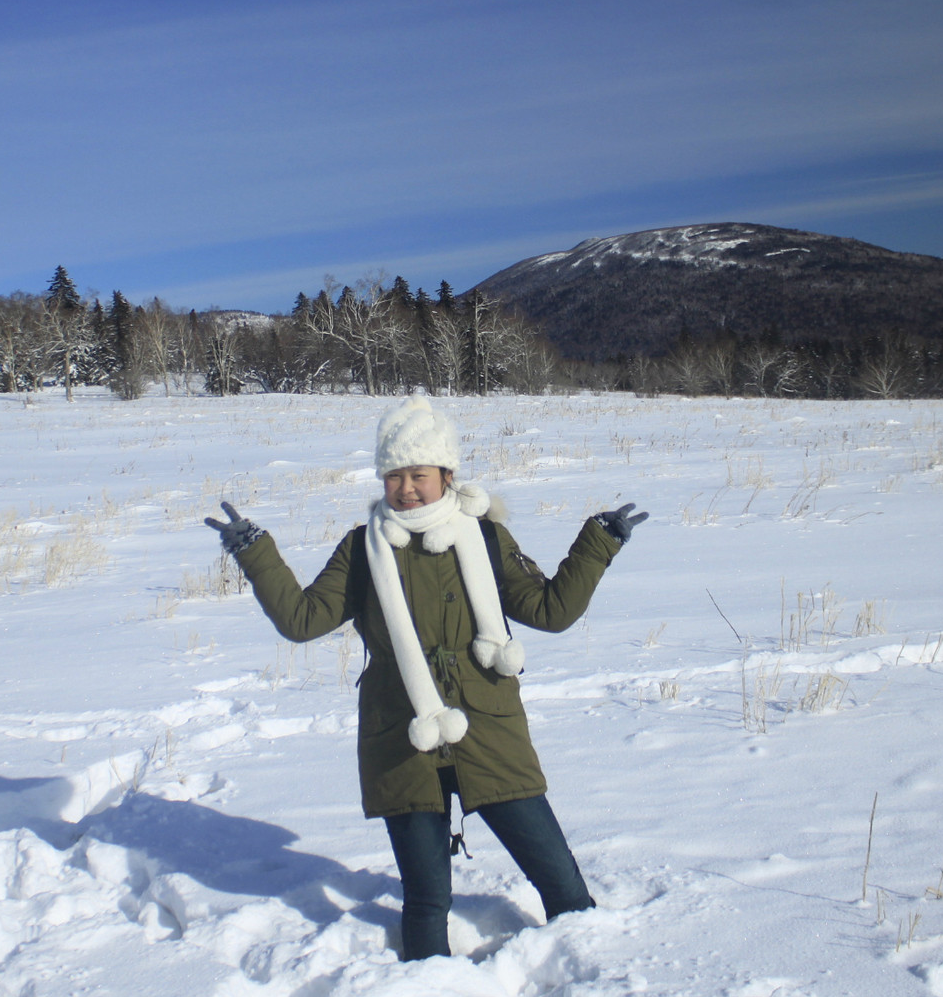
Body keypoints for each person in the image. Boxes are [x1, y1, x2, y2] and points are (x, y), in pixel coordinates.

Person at [205, 394, 647, 960]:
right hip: (401, 736)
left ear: (447, 475)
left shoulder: (486, 536)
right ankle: (426, 992)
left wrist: (599, 542)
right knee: (425, 900)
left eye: (419, 475)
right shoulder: (362, 549)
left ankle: (592, 970)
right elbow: (302, 620)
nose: (406, 489)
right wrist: (253, 551)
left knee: (559, 881)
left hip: (489, 728)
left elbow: (550, 611)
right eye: (394, 476)